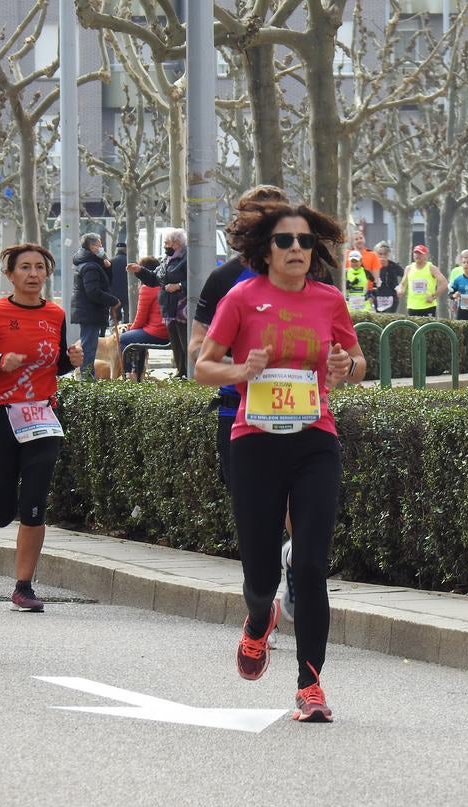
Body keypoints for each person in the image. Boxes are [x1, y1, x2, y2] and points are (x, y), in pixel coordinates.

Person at [195, 199, 366, 723]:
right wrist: (242, 369)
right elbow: (202, 366)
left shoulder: (330, 300)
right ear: (265, 250)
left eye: (306, 242)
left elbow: (357, 363)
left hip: (315, 440)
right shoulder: (243, 298)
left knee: (312, 565)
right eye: (286, 241)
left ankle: (310, 686)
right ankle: (257, 619)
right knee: (262, 571)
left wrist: (345, 366)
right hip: (255, 441)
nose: (297, 249)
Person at [190, 185, 300, 629]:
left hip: (300, 416)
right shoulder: (224, 281)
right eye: (254, 217)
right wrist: (243, 367)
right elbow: (197, 348)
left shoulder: (310, 276)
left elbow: (339, 343)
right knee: (257, 522)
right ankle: (263, 605)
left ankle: (297, 564)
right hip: (239, 415)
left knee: (300, 507)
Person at [0, 244, 82, 612]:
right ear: (10, 274)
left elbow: (51, 366)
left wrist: (70, 362)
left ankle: (23, 587)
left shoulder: (56, 314)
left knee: (35, 501)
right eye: (24, 267)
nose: (33, 273)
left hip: (41, 417)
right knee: (6, 508)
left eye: (40, 267)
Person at [128, 229, 187, 377]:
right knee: (177, 346)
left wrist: (179, 286)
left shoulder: (187, 259)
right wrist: (140, 270)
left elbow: (197, 280)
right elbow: (155, 278)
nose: (165, 246)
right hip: (169, 310)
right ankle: (182, 373)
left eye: (167, 243)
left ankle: (189, 375)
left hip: (182, 310)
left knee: (185, 345)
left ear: (177, 243)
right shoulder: (166, 260)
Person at [71, 233, 120, 381]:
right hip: (90, 311)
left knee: (89, 345)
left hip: (91, 311)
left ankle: (87, 378)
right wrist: (113, 301)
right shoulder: (90, 266)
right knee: (89, 347)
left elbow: (104, 283)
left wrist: (107, 268)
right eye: (98, 245)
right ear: (91, 247)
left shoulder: (92, 263)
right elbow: (93, 291)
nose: (101, 248)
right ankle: (86, 380)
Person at [119, 256, 169, 381]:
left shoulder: (147, 288)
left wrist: (131, 329)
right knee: (137, 337)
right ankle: (139, 374)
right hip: (171, 333)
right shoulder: (166, 285)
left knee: (125, 338)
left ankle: (130, 374)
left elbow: (140, 318)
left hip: (157, 333)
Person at [397, 245, 448, 317]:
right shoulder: (409, 268)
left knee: (428, 328)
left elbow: (444, 283)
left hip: (428, 306)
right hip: (412, 307)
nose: (418, 255)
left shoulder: (431, 268)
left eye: (420, 253)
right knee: (413, 328)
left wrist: (433, 296)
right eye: (416, 253)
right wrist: (400, 290)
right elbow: (403, 284)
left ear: (426, 255)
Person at [373, 241, 403, 314]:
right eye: (380, 254)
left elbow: (405, 275)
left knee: (389, 318)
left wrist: (401, 287)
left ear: (388, 254)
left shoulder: (393, 266)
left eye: (385, 254)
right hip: (377, 297)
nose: (383, 256)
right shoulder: (374, 267)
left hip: (392, 297)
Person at [110, 240, 130, 322]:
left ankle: (115, 332)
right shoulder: (129, 262)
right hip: (127, 292)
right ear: (126, 249)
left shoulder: (111, 261)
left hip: (114, 293)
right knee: (127, 314)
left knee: (115, 315)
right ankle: (126, 331)